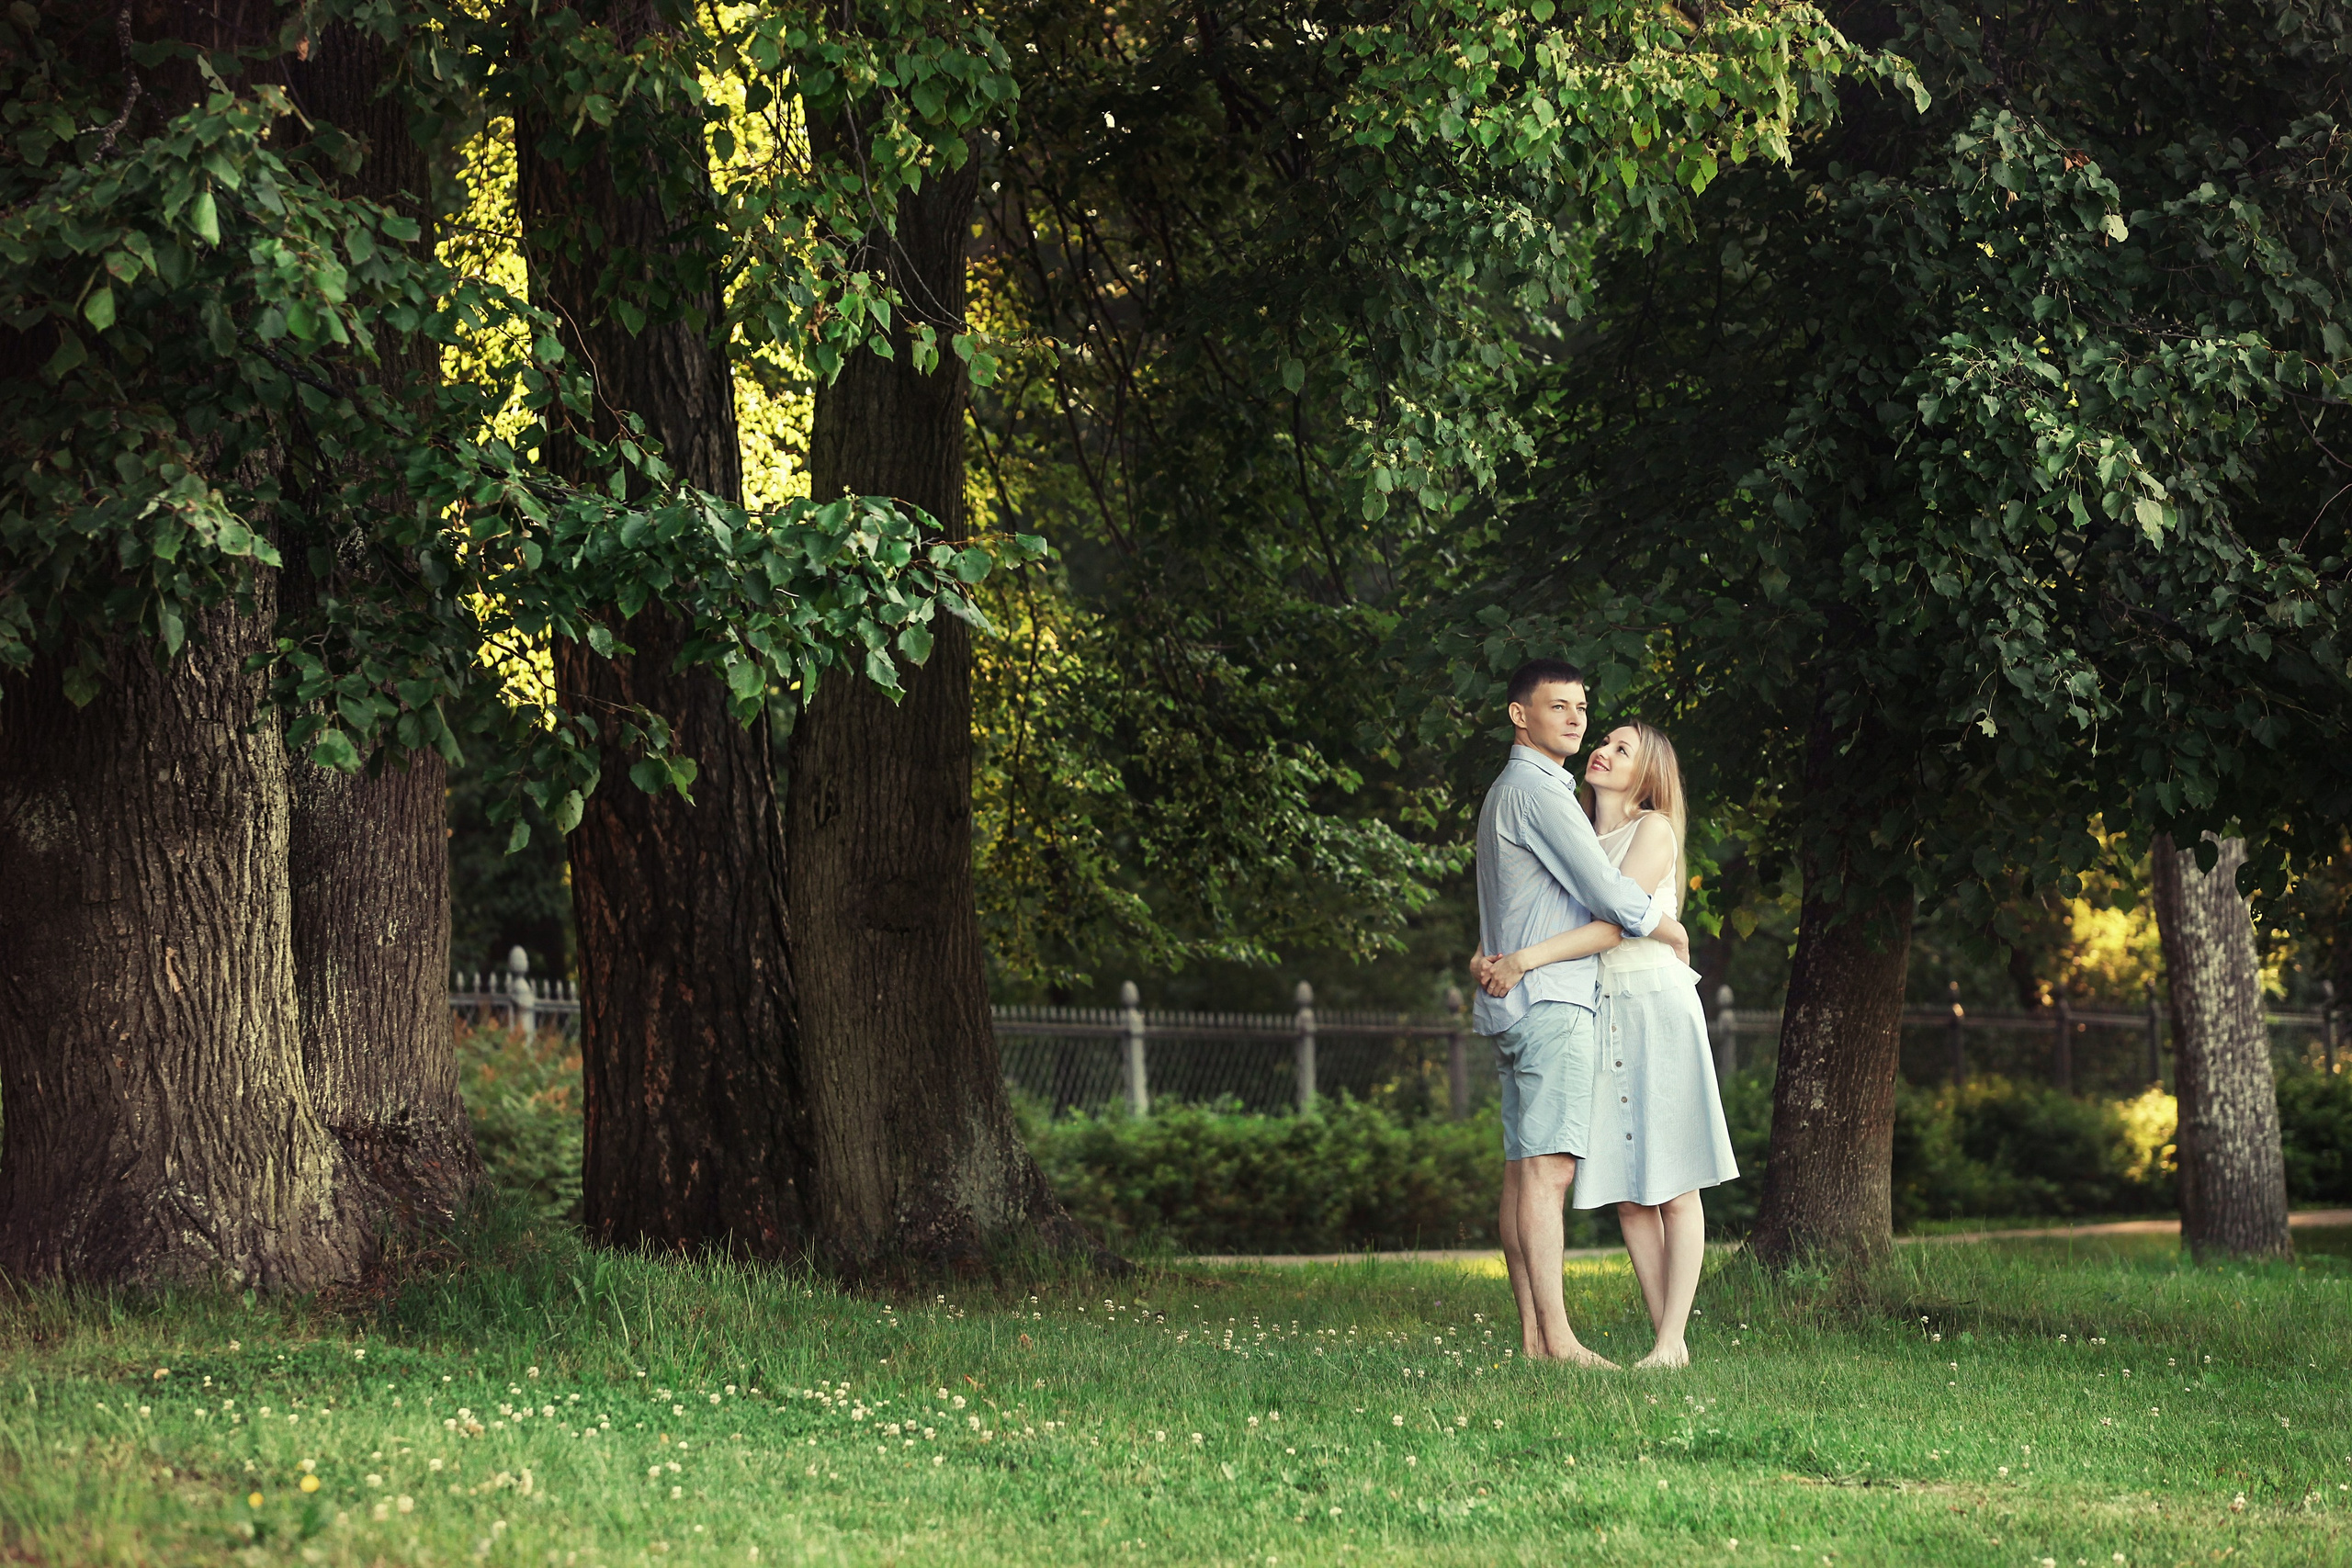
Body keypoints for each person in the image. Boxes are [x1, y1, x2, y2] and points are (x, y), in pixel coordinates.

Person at [1475, 720, 1739, 1370]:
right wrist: (1492, 950)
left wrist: (1524, 959)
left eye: (1624, 750)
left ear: (1646, 775)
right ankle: (1664, 1342)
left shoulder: (1652, 829)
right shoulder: (1574, 831)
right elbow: (1535, 905)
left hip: (1653, 1003)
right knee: (1628, 1192)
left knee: (1675, 1180)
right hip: (1598, 1008)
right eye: (1607, 742)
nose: (1604, 751)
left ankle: (1672, 1340)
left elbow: (1614, 923)